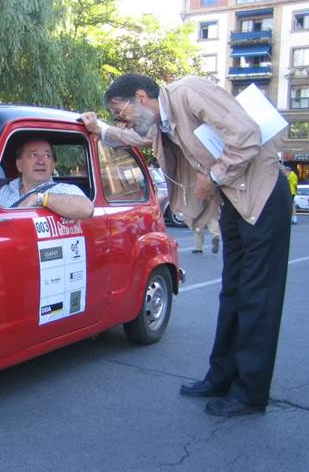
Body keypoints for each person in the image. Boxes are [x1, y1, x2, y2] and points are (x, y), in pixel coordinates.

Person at [80, 74, 292, 417]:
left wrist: (215, 177)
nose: (123, 120)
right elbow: (134, 136)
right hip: (233, 203)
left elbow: (246, 134)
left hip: (262, 197)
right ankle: (221, 376)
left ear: (140, 97)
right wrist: (101, 129)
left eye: (122, 111)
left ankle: (250, 392)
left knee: (258, 297)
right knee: (233, 294)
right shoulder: (162, 120)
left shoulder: (188, 92)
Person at [0, 138, 94, 219]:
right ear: (19, 165)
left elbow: (87, 209)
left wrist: (40, 199)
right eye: (34, 155)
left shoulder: (63, 190)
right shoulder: (3, 191)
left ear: (53, 165)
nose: (41, 161)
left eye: (47, 156)